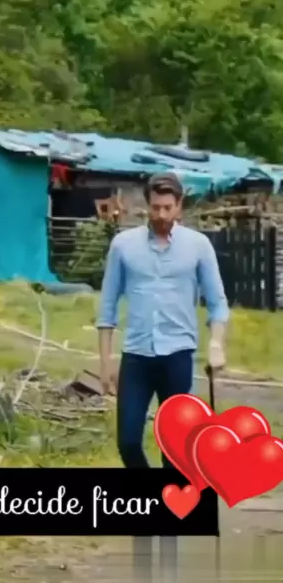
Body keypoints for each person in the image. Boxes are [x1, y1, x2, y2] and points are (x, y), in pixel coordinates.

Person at [97, 171, 229, 469]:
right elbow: (107, 305)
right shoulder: (123, 245)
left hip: (177, 356)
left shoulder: (198, 246)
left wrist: (217, 344)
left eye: (168, 208)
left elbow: (217, 303)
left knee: (174, 449)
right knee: (128, 442)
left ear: (179, 205)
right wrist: (105, 362)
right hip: (137, 356)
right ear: (147, 205)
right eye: (156, 208)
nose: (161, 215)